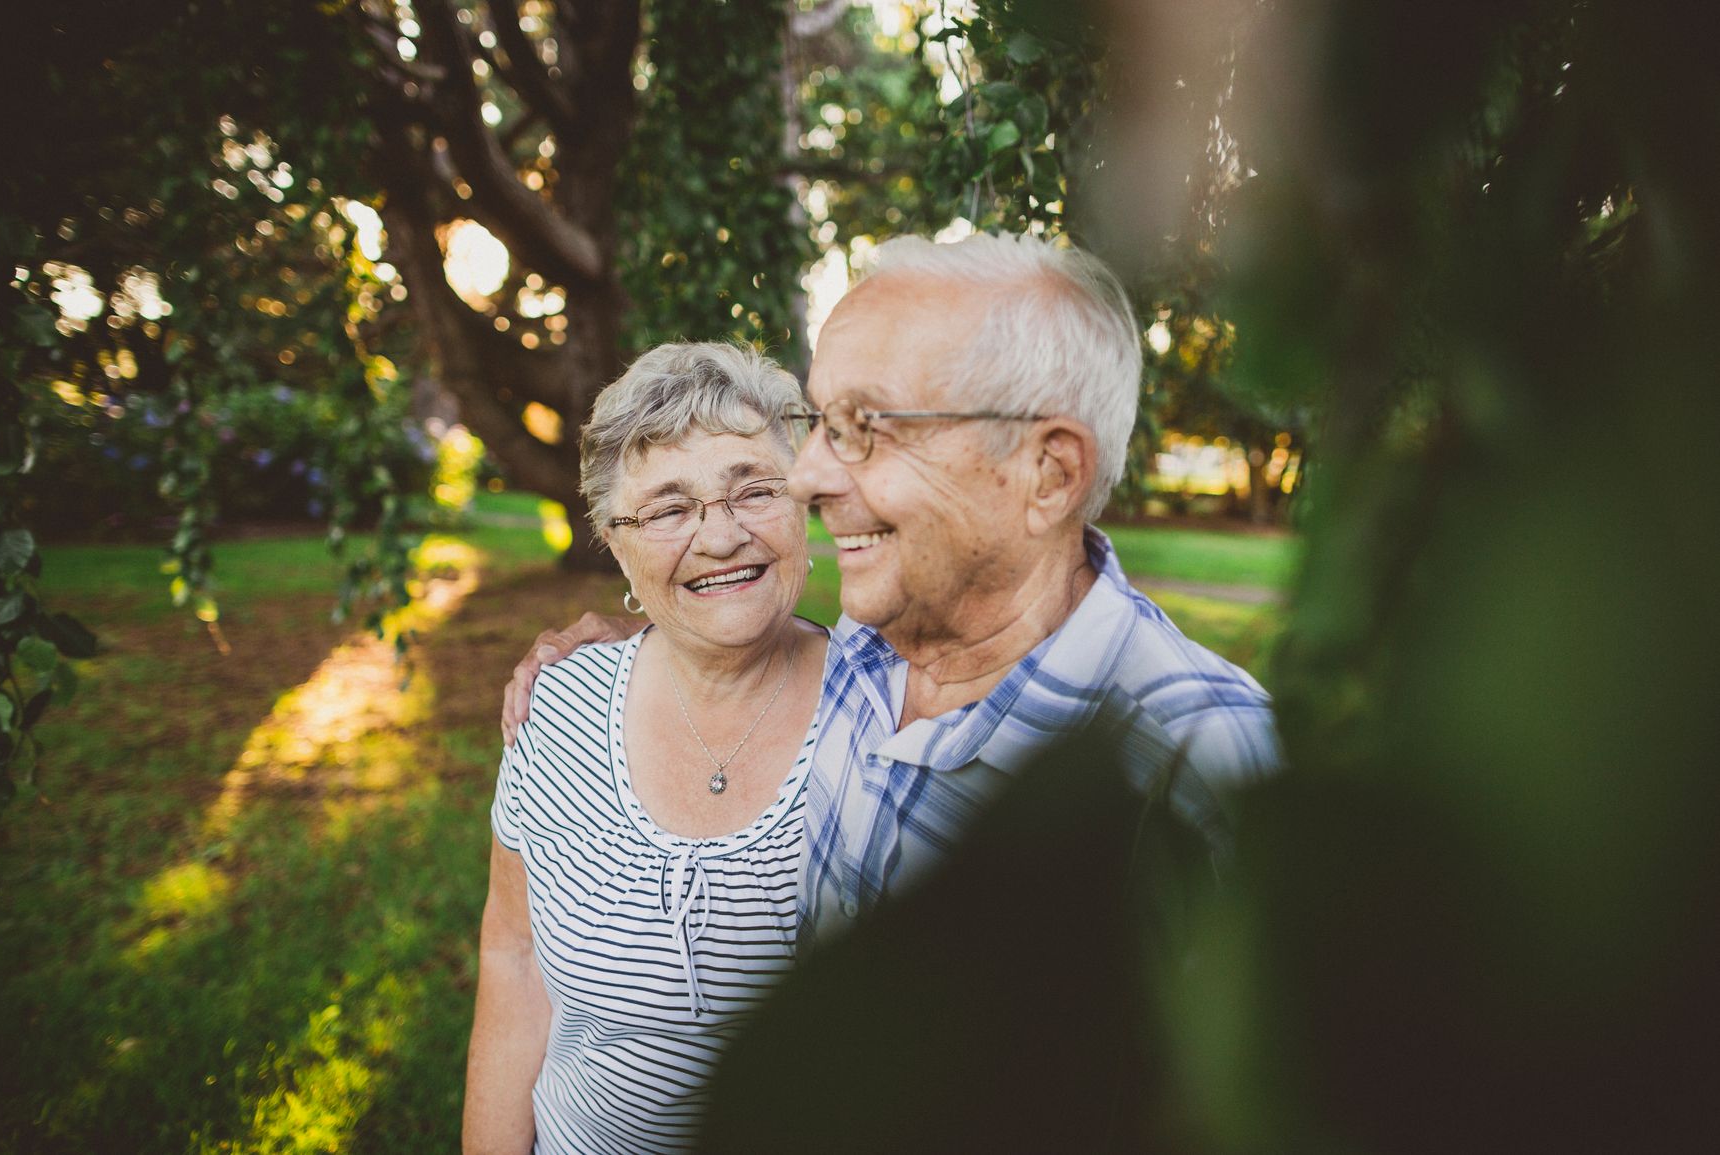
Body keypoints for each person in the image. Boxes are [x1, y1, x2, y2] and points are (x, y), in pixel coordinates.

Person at [504, 232, 1278, 952]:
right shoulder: (868, 649)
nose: (804, 477)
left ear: (1048, 474)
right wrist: (644, 636)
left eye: (863, 426)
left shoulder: (1208, 775)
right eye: (819, 421)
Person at [463, 342, 831, 1155]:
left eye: (755, 490)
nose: (721, 535)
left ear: (804, 502)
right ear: (614, 542)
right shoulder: (553, 707)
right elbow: (514, 952)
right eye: (668, 509)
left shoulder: (886, 720)